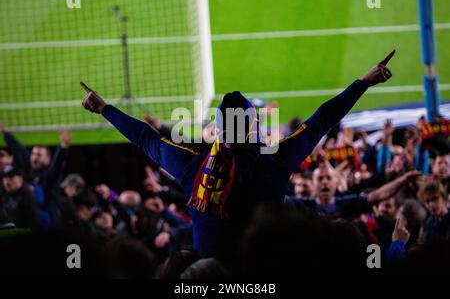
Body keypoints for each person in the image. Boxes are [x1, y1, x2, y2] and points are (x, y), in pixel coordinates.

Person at [80, 50, 397, 260]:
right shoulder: (276, 161)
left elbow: (146, 139)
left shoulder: (193, 166)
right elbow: (322, 121)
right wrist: (364, 82)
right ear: (251, 128)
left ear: (218, 129)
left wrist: (104, 108)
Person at [285, 164, 420, 220]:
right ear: (313, 184)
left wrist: (402, 180)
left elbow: (379, 195)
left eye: (328, 178)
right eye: (320, 178)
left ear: (336, 182)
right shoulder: (300, 206)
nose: (324, 182)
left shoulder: (347, 204)